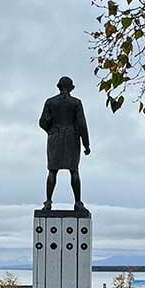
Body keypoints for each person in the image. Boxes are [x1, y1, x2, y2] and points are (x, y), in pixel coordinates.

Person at [39, 76, 90, 211]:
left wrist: (51, 130)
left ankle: (48, 202)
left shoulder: (50, 102)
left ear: (59, 87)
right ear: (71, 88)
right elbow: (82, 125)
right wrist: (86, 144)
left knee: (52, 171)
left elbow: (42, 122)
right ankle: (78, 203)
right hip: (72, 137)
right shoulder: (76, 103)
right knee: (74, 171)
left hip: (54, 137)